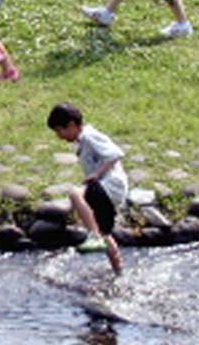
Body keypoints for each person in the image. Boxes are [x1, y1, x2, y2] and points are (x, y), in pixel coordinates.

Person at [46, 102, 127, 274]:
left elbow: (115, 154)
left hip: (111, 185)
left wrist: (97, 174)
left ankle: (93, 237)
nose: (59, 136)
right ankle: (119, 271)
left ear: (72, 125)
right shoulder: (82, 140)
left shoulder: (90, 136)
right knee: (105, 232)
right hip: (103, 188)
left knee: (75, 194)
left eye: (60, 130)